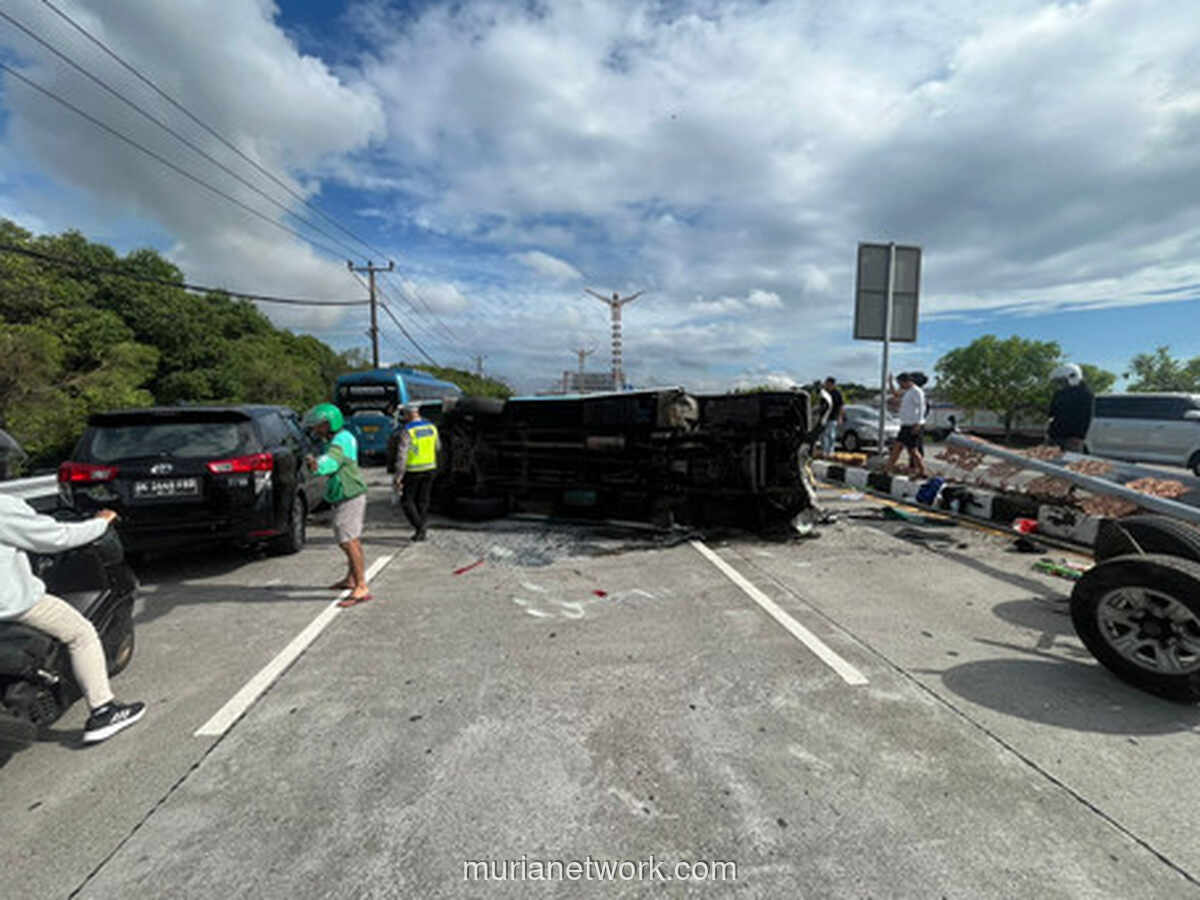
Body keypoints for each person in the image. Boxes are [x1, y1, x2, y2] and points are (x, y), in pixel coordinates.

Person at [0, 497, 145, 743]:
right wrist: (100, 523)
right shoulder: (3, 507)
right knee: (81, 633)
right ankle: (103, 710)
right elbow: (55, 537)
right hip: (11, 606)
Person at [303, 403, 371, 607]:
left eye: (319, 425)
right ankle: (352, 579)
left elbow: (332, 460)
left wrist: (316, 465)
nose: (315, 430)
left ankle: (361, 586)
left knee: (347, 541)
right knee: (353, 539)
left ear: (329, 424)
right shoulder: (340, 437)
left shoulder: (340, 441)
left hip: (349, 495)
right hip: (348, 493)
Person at [392, 404, 440, 542]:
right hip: (430, 468)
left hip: (413, 470)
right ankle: (421, 531)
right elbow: (438, 447)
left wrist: (398, 477)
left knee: (407, 501)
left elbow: (402, 456)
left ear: (408, 415)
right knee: (423, 500)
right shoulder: (432, 427)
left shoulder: (407, 430)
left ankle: (420, 528)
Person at [887, 372, 929, 477]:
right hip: (905, 425)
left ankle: (922, 471)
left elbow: (921, 408)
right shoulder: (908, 392)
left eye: (900, 383)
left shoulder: (917, 391)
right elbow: (895, 394)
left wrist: (918, 423)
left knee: (913, 451)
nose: (900, 386)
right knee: (897, 447)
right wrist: (890, 382)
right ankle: (887, 469)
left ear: (906, 381)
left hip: (913, 425)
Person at [1047, 363, 1094, 452]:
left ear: (1072, 377)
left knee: (1068, 463)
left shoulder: (1085, 394)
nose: (1060, 384)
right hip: (1055, 436)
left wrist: (1079, 436)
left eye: (1062, 381)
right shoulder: (1059, 394)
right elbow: (1051, 413)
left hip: (1073, 439)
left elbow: (1086, 417)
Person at [820, 377, 845, 456]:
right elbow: (821, 405)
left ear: (832, 384)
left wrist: (840, 417)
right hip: (824, 417)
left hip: (833, 417)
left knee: (831, 434)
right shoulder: (824, 393)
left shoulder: (837, 393)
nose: (826, 385)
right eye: (826, 383)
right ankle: (824, 451)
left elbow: (841, 406)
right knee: (823, 435)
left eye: (828, 383)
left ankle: (830, 452)